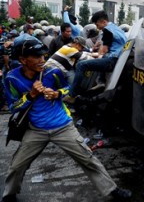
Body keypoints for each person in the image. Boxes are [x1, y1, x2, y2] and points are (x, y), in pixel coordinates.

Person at [2, 36, 132, 202]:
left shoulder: (52, 72)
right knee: (17, 166)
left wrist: (57, 94)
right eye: (37, 57)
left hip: (62, 126)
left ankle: (112, 190)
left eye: (44, 56)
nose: (43, 60)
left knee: (88, 158)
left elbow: (68, 90)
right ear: (22, 60)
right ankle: (9, 195)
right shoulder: (12, 78)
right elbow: (13, 107)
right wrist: (31, 95)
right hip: (36, 130)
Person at [64, 10, 127, 103]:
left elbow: (103, 51)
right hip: (120, 59)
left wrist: (95, 52)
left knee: (81, 65)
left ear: (103, 21)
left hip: (113, 60)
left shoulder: (107, 30)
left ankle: (72, 95)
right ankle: (101, 82)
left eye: (97, 25)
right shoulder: (117, 29)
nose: (98, 28)